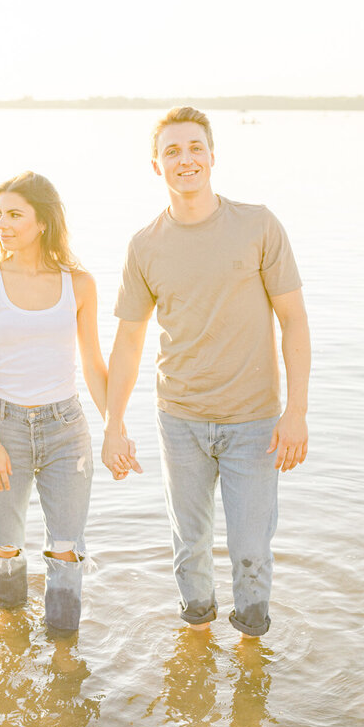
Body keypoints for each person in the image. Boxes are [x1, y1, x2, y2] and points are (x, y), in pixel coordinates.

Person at [102, 107, 312, 639]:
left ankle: (251, 648)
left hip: (255, 423)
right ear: (157, 166)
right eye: (172, 151)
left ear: (212, 157)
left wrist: (297, 412)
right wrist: (113, 423)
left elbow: (293, 320)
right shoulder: (144, 245)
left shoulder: (258, 225)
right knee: (189, 545)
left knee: (250, 549)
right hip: (180, 420)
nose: (185, 159)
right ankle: (194, 646)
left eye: (195, 147)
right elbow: (128, 341)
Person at [0, 171, 130, 636]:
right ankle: (9, 637)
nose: (3, 224)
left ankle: (63, 649)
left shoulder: (79, 283)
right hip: (4, 425)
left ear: (42, 222)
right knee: (6, 545)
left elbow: (95, 364)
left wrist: (115, 426)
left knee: (66, 547)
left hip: (65, 428)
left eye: (15, 215)